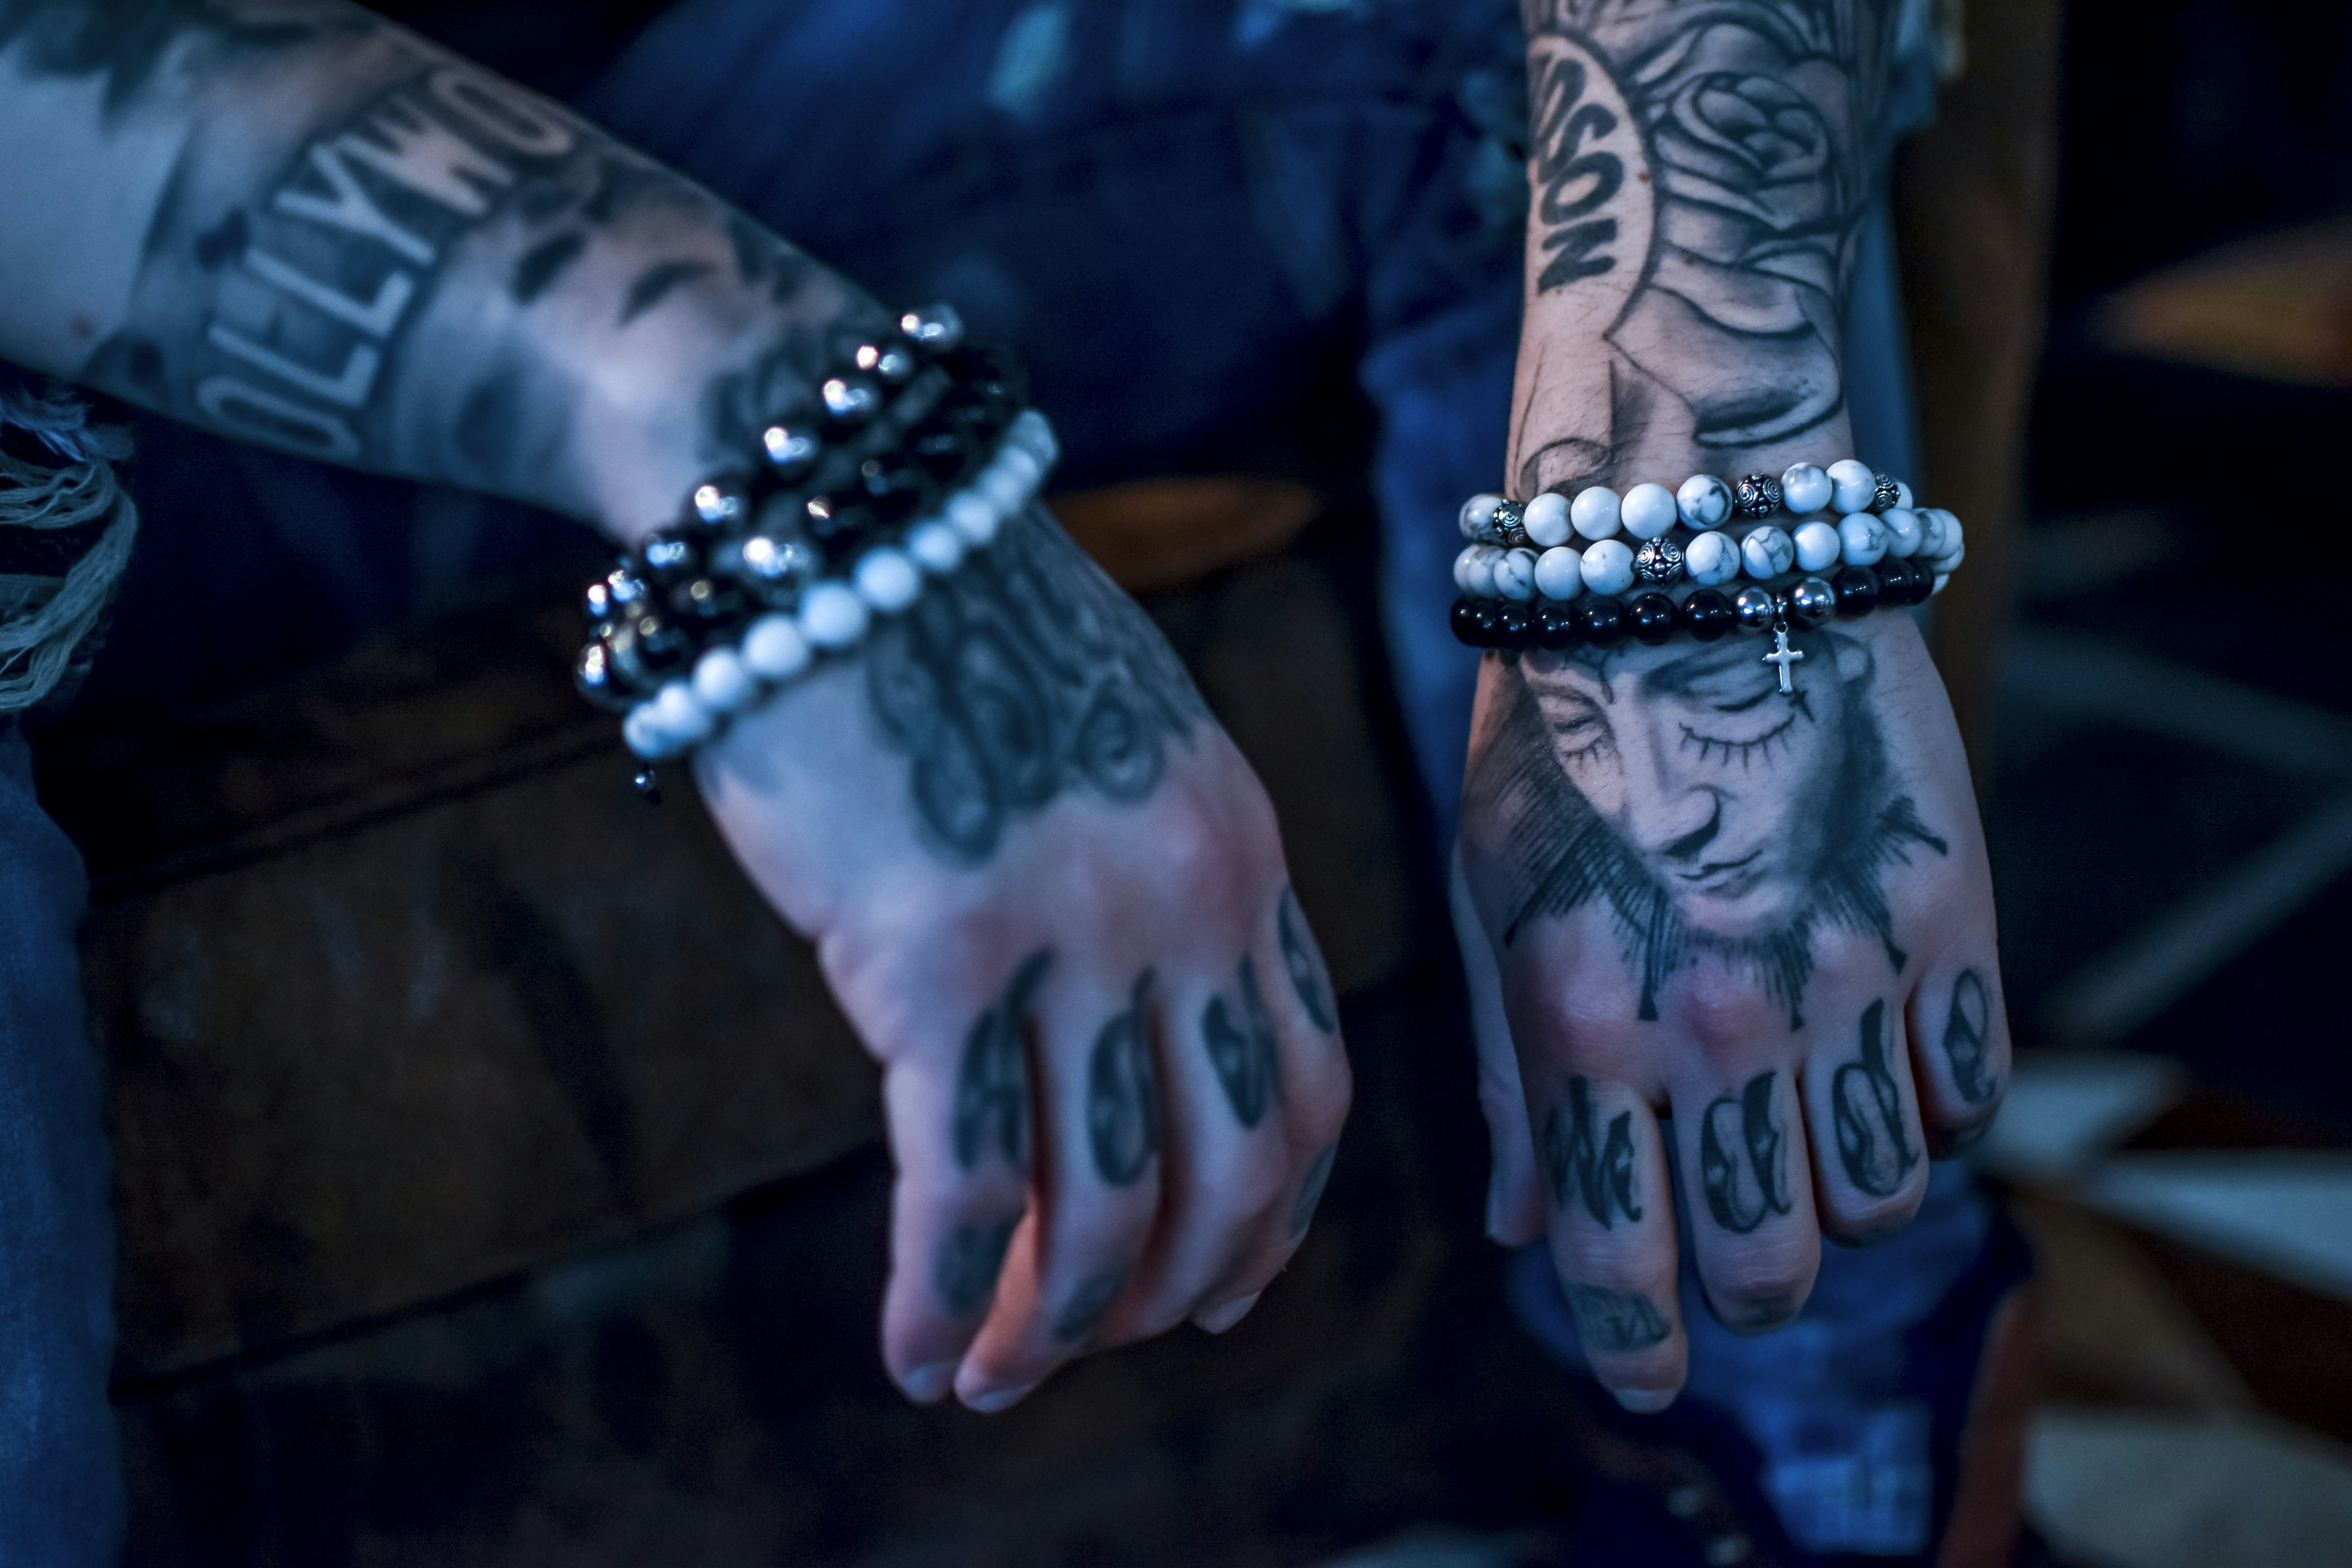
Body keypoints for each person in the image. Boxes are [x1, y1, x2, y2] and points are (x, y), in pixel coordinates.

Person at [0, 0, 2015, 1561]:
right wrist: (772, 427)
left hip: (642, 102)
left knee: (1574, 68)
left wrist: (1700, 446)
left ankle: (1829, 1450)